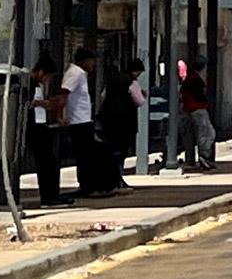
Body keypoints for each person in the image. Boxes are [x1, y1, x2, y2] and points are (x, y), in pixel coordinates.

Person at [60, 47, 110, 197]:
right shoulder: (74, 73)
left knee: (89, 155)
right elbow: (64, 94)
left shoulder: (81, 74)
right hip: (78, 122)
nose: (93, 64)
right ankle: (87, 187)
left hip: (84, 120)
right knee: (84, 156)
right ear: (84, 61)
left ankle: (93, 185)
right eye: (91, 61)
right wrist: (62, 116)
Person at [29, 53, 71, 208]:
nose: (48, 81)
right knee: (46, 164)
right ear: (41, 72)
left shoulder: (37, 86)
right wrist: (45, 103)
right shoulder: (29, 85)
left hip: (42, 126)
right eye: (48, 77)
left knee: (51, 163)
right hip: (35, 129)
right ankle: (48, 198)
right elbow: (31, 104)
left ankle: (53, 195)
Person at [97, 59, 145, 191]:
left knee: (111, 150)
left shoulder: (111, 81)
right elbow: (139, 101)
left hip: (109, 121)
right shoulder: (132, 82)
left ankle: (111, 179)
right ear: (135, 71)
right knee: (122, 152)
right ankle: (118, 178)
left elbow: (102, 96)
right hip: (125, 122)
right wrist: (143, 94)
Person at [179, 55, 217, 171]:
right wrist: (205, 101)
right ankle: (204, 157)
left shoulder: (189, 78)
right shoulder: (195, 79)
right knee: (207, 133)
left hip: (188, 109)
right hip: (197, 108)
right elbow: (199, 94)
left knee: (191, 136)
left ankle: (192, 159)